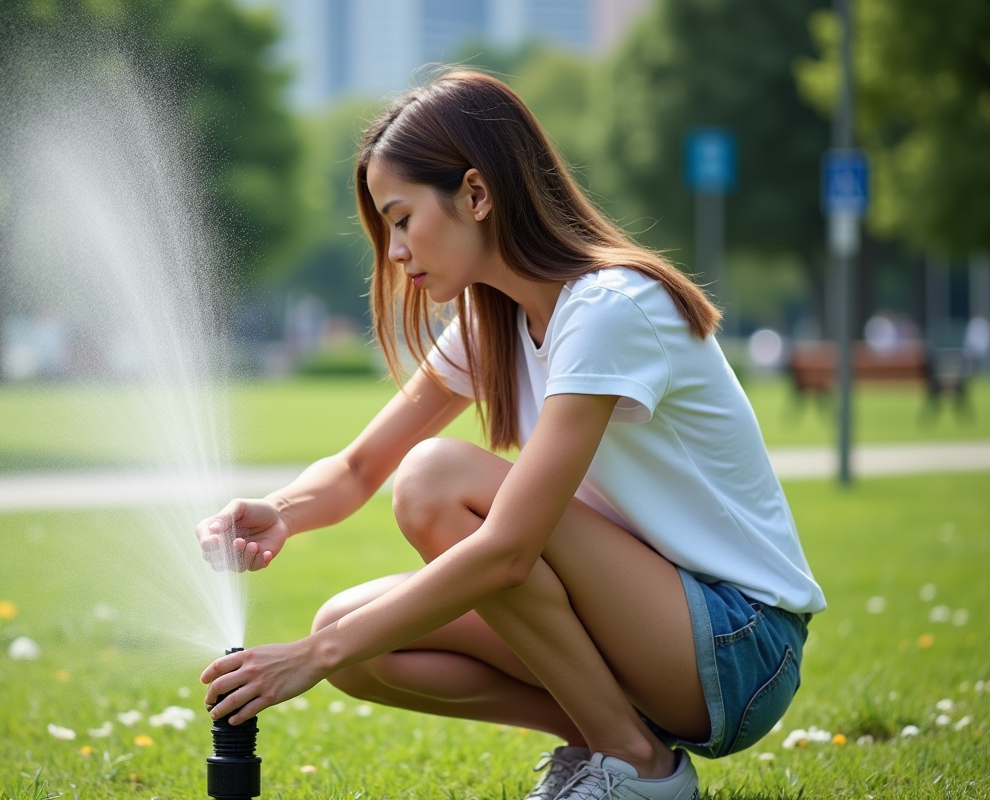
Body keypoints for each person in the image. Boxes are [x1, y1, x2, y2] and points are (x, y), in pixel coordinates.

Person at [197, 71, 825, 800]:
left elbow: (509, 549)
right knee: (357, 635)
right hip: (652, 628)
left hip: (738, 644)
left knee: (431, 484)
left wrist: (310, 657)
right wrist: (283, 513)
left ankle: (639, 768)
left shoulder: (609, 308)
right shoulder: (490, 320)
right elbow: (361, 466)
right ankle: (611, 744)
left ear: (477, 194)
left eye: (402, 219)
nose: (396, 251)